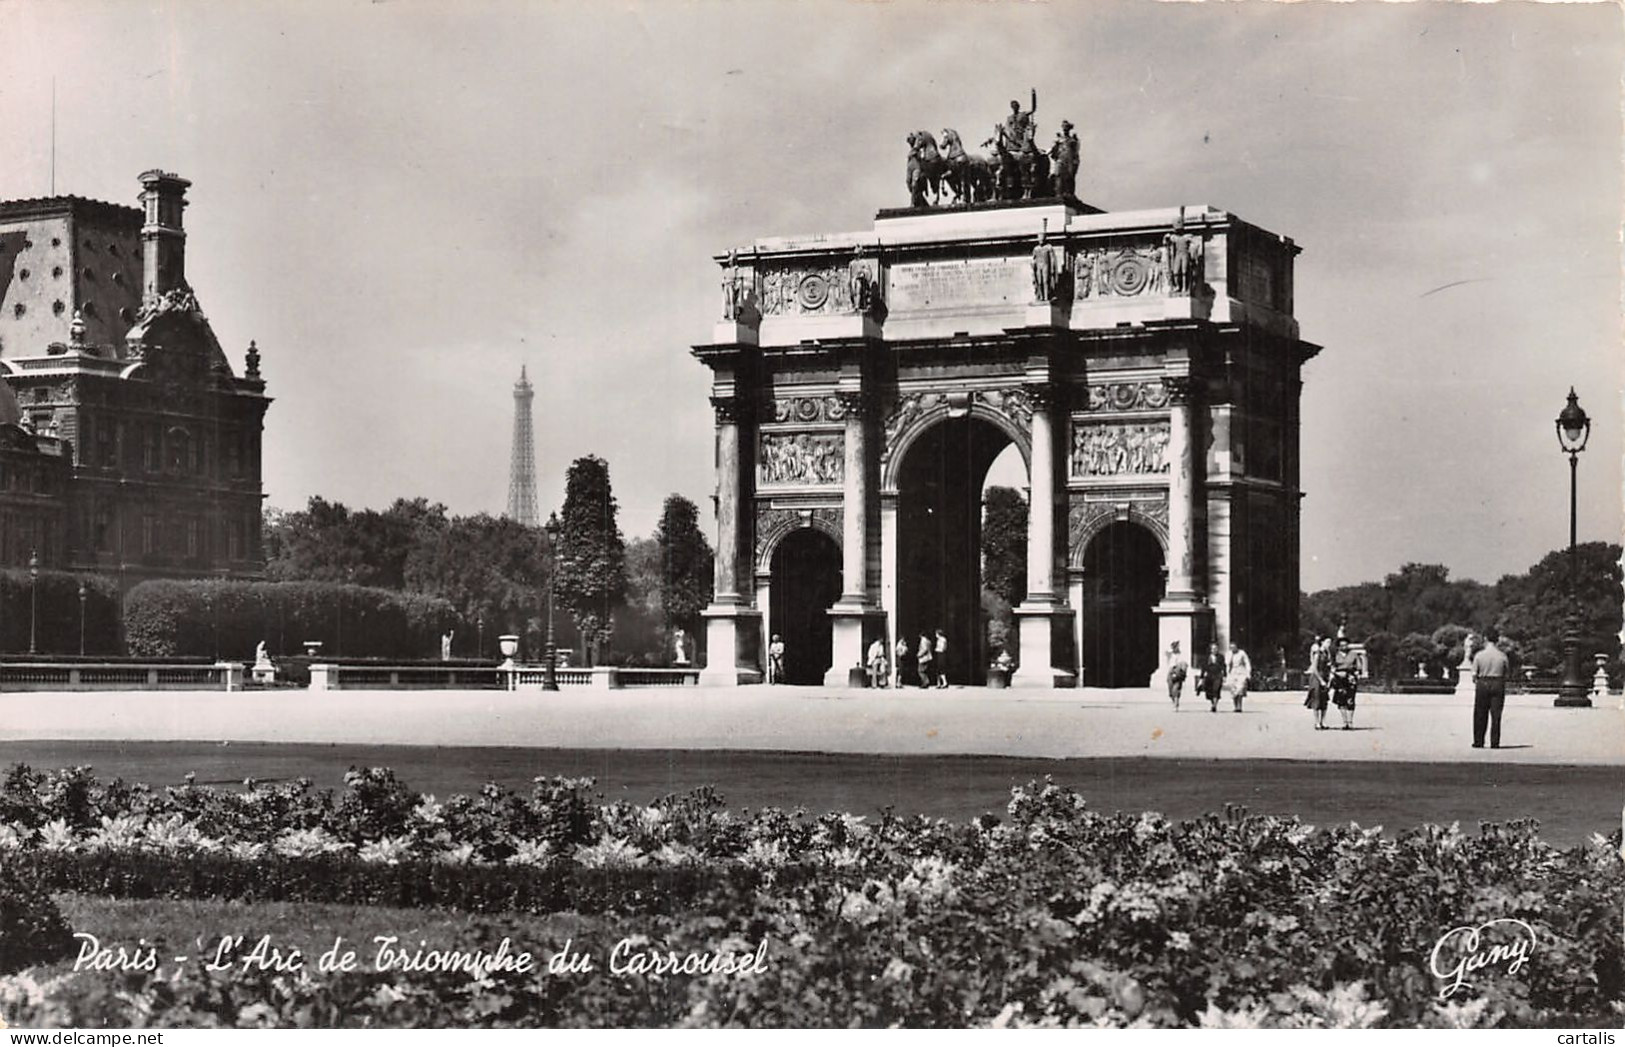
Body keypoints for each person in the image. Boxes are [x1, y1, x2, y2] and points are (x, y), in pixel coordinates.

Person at [1471, 627, 1511, 749]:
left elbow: (1474, 675)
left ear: (1485, 638)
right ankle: (1495, 742)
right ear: (1497, 640)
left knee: (1480, 714)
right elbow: (1506, 673)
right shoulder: (1502, 656)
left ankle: (1479, 741)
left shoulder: (1479, 656)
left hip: (1483, 683)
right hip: (1498, 683)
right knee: (1496, 714)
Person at [1303, 635, 1332, 730]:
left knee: (1324, 699)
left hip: (1325, 676)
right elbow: (1314, 668)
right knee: (1316, 699)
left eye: (1330, 642)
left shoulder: (1327, 653)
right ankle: (1316, 722)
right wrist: (1321, 680)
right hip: (1317, 677)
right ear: (1322, 642)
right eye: (1327, 642)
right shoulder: (1317, 653)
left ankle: (1323, 721)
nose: (1329, 644)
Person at [1331, 638, 1359, 729]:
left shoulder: (1353, 654)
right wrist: (1335, 673)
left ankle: (1350, 722)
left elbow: (1358, 666)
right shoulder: (1335, 655)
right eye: (1342, 645)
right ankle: (1345, 722)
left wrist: (1357, 673)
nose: (1344, 647)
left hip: (1350, 676)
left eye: (1346, 645)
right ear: (1339, 646)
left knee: (1350, 699)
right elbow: (1332, 666)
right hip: (1339, 677)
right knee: (1341, 699)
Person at [1199, 643, 1226, 713]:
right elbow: (1203, 667)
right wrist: (1201, 677)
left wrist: (1225, 675)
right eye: (1213, 649)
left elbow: (1223, 666)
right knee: (1209, 691)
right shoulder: (1207, 657)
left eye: (1216, 648)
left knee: (1216, 689)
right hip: (1209, 675)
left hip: (1218, 675)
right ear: (1210, 650)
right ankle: (1212, 703)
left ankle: (1215, 705)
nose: (1215, 650)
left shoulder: (1221, 657)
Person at [1225, 642, 1252, 712]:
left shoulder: (1242, 653)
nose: (1233, 649)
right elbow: (1227, 664)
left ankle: (1239, 706)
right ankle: (1235, 706)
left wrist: (1248, 672)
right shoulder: (1229, 654)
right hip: (1232, 673)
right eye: (1231, 648)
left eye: (1234, 647)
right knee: (1233, 691)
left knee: (1240, 689)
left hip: (1241, 672)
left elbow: (1247, 662)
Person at [1165, 640, 1188, 710]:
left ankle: (1176, 703)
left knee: (1177, 688)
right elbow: (1166, 652)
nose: (1177, 648)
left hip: (1178, 670)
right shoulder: (1170, 654)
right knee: (1170, 689)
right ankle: (1174, 700)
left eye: (1177, 646)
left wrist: (1183, 671)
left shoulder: (1181, 655)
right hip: (1171, 671)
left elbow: (1185, 663)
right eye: (1175, 646)